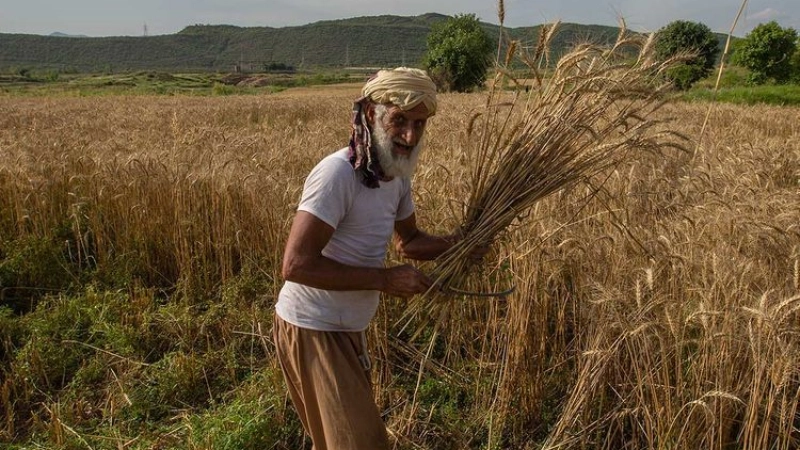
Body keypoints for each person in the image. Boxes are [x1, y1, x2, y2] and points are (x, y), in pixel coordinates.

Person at [273, 67, 466, 449]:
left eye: (419, 124)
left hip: (347, 329)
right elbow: (295, 264)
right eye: (399, 120)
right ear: (371, 114)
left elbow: (409, 241)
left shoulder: (396, 176)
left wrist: (463, 242)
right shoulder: (338, 174)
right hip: (313, 329)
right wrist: (385, 279)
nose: (410, 136)